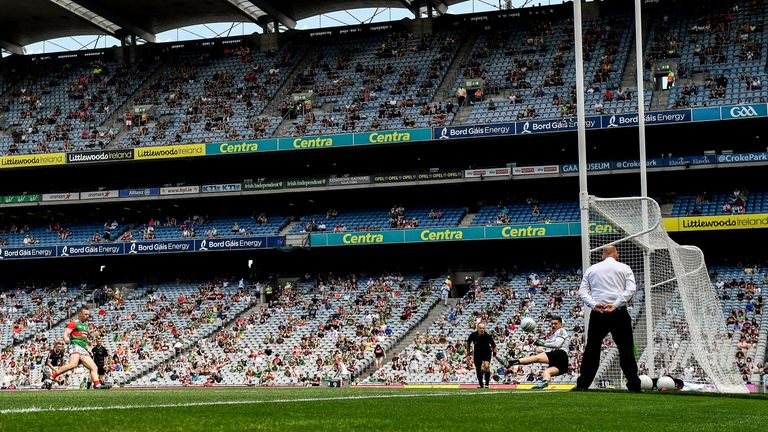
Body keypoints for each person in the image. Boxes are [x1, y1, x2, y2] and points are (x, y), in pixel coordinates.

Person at [575, 245, 641, 392]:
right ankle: (634, 385)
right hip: (618, 312)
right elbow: (631, 289)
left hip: (599, 312)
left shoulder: (592, 269)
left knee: (592, 349)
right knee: (626, 349)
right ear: (615, 254)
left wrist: (593, 304)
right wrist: (616, 304)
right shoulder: (624, 268)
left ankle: (582, 385)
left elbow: (582, 292)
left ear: (603, 256)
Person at [47, 307, 105, 389]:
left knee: (94, 367)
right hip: (75, 346)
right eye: (85, 314)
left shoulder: (85, 325)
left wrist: (88, 348)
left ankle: (97, 385)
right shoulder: (74, 323)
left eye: (88, 314)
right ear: (80, 314)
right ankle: (51, 378)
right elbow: (65, 334)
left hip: (83, 348)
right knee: (73, 365)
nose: (87, 316)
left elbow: (85, 339)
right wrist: (66, 339)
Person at [505, 316, 569, 389]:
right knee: (546, 372)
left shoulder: (561, 331)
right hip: (563, 363)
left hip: (561, 354)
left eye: (555, 324)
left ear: (561, 324)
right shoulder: (554, 334)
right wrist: (540, 344)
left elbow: (557, 344)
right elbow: (550, 344)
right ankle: (544, 383)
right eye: (552, 324)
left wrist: (542, 344)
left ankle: (513, 362)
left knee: (536, 358)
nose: (553, 325)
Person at [466, 323, 497, 388]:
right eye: (480, 328)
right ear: (477, 328)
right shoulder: (473, 335)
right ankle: (481, 384)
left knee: (486, 366)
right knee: (478, 368)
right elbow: (468, 343)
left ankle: (487, 384)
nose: (482, 329)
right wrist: (468, 354)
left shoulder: (488, 336)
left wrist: (494, 355)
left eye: (483, 328)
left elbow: (494, 345)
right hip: (477, 353)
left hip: (486, 352)